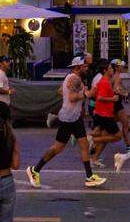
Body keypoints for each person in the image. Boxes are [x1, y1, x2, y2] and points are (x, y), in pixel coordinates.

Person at [27, 57, 105, 189]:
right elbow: (72, 97)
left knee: (84, 144)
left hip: (74, 117)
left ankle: (89, 176)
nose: (86, 68)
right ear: (77, 67)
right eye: (84, 66)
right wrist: (87, 94)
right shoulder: (74, 78)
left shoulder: (71, 78)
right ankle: (35, 170)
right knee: (57, 148)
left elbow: (61, 91)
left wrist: (80, 90)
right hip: (68, 118)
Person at [88, 62, 124, 166]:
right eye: (110, 68)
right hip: (104, 115)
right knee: (118, 136)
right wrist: (112, 98)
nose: (112, 69)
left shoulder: (105, 81)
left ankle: (94, 159)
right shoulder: (104, 82)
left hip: (104, 113)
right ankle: (92, 139)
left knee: (105, 137)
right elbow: (99, 98)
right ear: (105, 70)